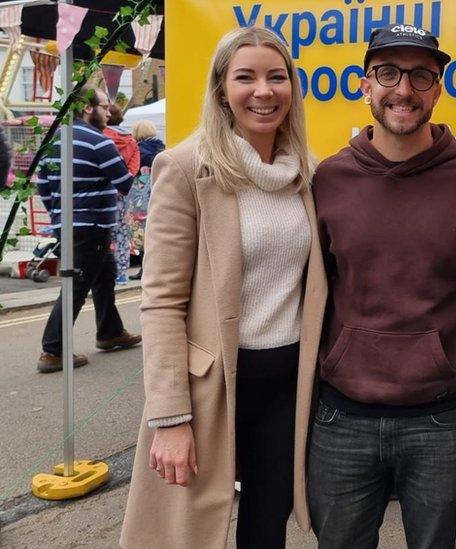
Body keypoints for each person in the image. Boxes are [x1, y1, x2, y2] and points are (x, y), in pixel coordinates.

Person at [120, 27, 325, 548]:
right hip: (212, 384)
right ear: (220, 90)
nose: (264, 91)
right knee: (190, 529)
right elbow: (162, 300)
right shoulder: (186, 168)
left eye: (277, 77)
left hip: (288, 381)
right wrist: (169, 418)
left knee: (267, 523)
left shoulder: (307, 173)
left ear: (292, 89)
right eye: (246, 77)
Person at [308, 24, 456, 549]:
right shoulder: (328, 179)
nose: (404, 89)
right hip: (342, 414)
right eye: (388, 73)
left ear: (439, 89)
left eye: (421, 75)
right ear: (364, 84)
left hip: (441, 417)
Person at [35, 87, 140, 373]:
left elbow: (42, 186)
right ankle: (52, 350)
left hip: (66, 225)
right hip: (92, 224)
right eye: (105, 107)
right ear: (87, 109)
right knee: (77, 285)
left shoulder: (54, 140)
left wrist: (60, 213)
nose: (109, 112)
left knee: (104, 275)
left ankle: (109, 332)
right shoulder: (98, 141)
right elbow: (124, 183)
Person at [104, 103, 141, 285]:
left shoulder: (101, 138)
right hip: (122, 193)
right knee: (121, 232)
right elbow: (133, 168)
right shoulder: (131, 141)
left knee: (102, 233)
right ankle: (121, 273)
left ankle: (102, 272)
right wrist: (122, 186)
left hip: (102, 191)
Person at [129, 119, 166, 281]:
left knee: (142, 231)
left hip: (141, 198)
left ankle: (145, 269)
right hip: (161, 193)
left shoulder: (138, 150)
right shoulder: (162, 148)